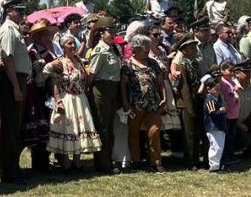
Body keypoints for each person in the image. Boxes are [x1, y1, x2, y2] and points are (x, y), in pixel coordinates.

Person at [43, 35, 101, 170]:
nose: (73, 46)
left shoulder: (79, 61)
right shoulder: (59, 62)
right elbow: (54, 83)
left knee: (80, 129)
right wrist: (58, 101)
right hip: (66, 98)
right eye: (69, 44)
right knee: (66, 129)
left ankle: (77, 162)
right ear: (63, 46)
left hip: (80, 99)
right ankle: (65, 162)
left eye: (73, 43)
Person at [0, 0, 30, 185]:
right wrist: (16, 86)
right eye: (19, 10)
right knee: (10, 128)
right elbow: (7, 59)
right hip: (11, 81)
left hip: (18, 79)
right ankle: (8, 172)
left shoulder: (15, 29)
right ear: (9, 11)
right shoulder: (8, 30)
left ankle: (13, 167)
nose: (22, 14)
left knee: (16, 127)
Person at [120, 34, 166, 173]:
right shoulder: (127, 64)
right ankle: (136, 161)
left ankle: (156, 162)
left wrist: (164, 97)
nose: (147, 49)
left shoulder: (153, 63)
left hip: (153, 104)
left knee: (154, 132)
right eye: (143, 47)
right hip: (135, 105)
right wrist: (125, 102)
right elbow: (123, 85)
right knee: (134, 133)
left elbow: (160, 81)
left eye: (147, 46)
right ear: (135, 49)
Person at [85, 18, 122, 174]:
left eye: (114, 31)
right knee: (103, 127)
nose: (113, 34)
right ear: (101, 33)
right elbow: (92, 75)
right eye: (110, 31)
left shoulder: (113, 49)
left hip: (113, 88)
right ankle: (103, 162)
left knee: (110, 127)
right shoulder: (100, 50)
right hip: (101, 89)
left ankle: (108, 159)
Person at [25, 20, 57, 172]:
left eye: (48, 33)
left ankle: (45, 160)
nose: (48, 36)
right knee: (38, 127)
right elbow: (35, 78)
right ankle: (38, 163)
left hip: (49, 94)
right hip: (36, 94)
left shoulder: (49, 52)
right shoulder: (31, 52)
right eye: (45, 34)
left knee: (48, 127)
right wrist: (48, 68)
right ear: (38, 36)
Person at [171, 36, 205, 168]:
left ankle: (196, 157)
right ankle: (190, 160)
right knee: (188, 133)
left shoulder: (194, 62)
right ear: (184, 50)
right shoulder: (183, 64)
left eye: (195, 47)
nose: (195, 49)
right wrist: (190, 108)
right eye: (191, 48)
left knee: (196, 131)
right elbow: (184, 88)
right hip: (186, 103)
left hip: (196, 100)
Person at [201, 76, 226, 172]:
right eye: (216, 89)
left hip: (218, 126)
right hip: (213, 127)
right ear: (208, 89)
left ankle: (217, 165)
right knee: (216, 147)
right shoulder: (210, 99)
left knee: (219, 147)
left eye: (219, 89)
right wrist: (220, 111)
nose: (218, 91)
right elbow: (212, 113)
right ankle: (214, 167)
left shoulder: (215, 98)